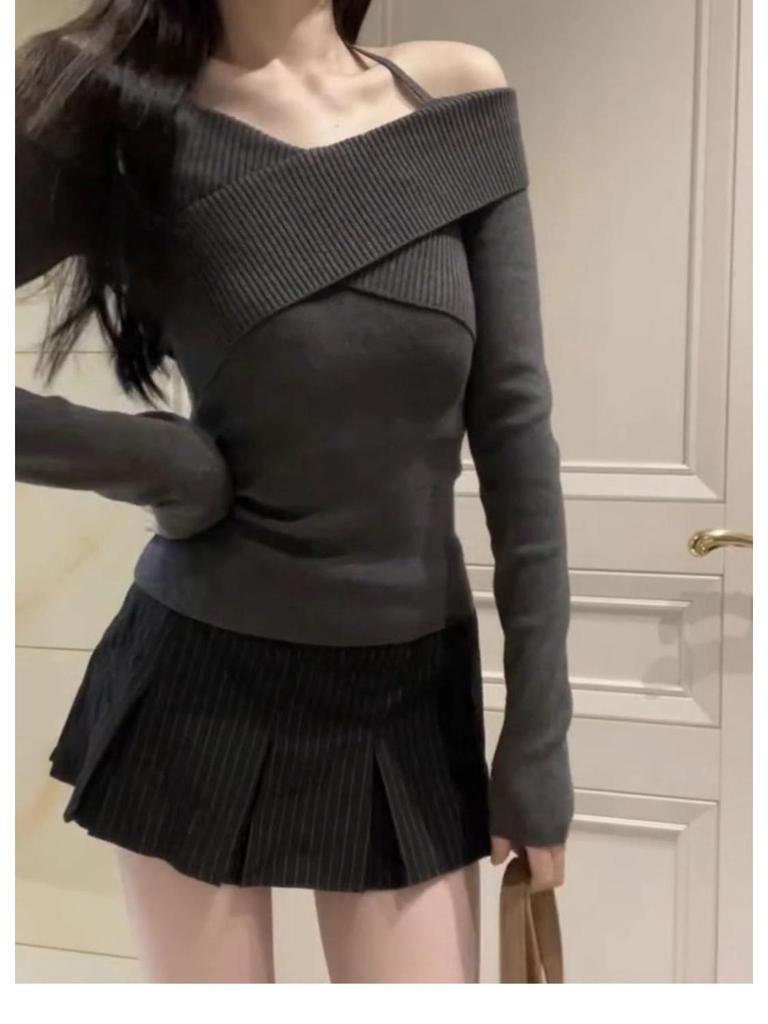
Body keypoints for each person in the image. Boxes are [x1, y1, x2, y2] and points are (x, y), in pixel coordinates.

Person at [15, 0, 574, 983]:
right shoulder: (114, 107)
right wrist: (158, 464)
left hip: (410, 694)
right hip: (198, 682)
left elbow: (516, 429)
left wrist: (537, 739)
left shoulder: (457, 96)